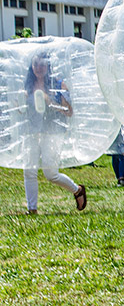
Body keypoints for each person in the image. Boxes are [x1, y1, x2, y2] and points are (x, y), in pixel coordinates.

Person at [23, 52, 86, 214]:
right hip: (31, 133)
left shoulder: (58, 85)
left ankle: (77, 190)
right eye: (36, 64)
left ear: (48, 67)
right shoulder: (27, 87)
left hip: (52, 134)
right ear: (31, 67)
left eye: (42, 64)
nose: (39, 68)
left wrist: (49, 101)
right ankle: (32, 209)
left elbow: (69, 111)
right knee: (29, 171)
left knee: (50, 174)